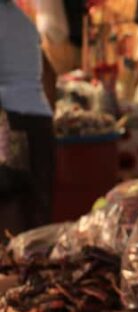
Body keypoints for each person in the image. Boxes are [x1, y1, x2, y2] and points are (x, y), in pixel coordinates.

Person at [0, 0, 56, 233]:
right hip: (41, 124)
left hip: (11, 124)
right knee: (37, 217)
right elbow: (51, 75)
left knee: (9, 213)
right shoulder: (23, 21)